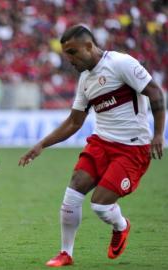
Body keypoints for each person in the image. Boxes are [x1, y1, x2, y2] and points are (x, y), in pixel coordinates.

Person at [19, 25, 165, 267]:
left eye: (73, 52)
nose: (69, 60)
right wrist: (42, 145)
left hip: (132, 149)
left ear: (89, 46)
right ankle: (66, 253)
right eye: (66, 55)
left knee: (100, 205)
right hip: (101, 143)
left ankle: (121, 225)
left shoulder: (121, 64)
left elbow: (155, 93)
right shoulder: (85, 80)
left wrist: (158, 134)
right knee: (73, 192)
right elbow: (75, 121)